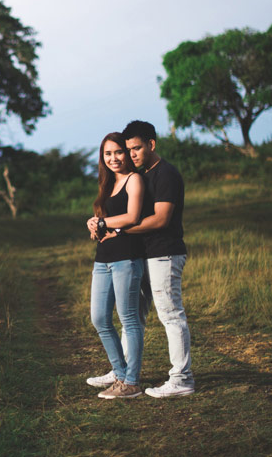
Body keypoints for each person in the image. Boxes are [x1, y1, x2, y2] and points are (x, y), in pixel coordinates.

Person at [119, 120, 195, 397]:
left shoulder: (166, 174)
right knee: (132, 315)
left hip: (165, 253)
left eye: (137, 148)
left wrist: (122, 229)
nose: (132, 154)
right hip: (144, 255)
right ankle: (122, 373)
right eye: (129, 150)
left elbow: (161, 219)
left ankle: (182, 379)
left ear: (151, 144)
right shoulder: (140, 175)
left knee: (171, 314)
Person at [84, 132, 148, 399]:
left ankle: (131, 382)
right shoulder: (107, 183)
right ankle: (120, 374)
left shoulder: (134, 180)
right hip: (103, 259)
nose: (113, 158)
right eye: (108, 154)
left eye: (118, 152)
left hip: (127, 258)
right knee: (99, 318)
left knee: (128, 319)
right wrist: (94, 223)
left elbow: (132, 216)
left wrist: (103, 222)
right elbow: (105, 219)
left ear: (127, 153)